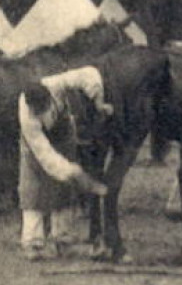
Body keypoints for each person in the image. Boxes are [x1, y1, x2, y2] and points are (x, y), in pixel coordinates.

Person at [17, 69, 112, 261]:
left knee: (64, 190)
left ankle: (63, 240)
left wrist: (98, 100)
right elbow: (46, 156)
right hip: (37, 148)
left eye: (42, 107)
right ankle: (33, 243)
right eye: (36, 110)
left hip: (63, 136)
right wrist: (73, 172)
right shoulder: (27, 118)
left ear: (49, 97)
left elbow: (88, 74)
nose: (39, 112)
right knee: (32, 189)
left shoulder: (56, 84)